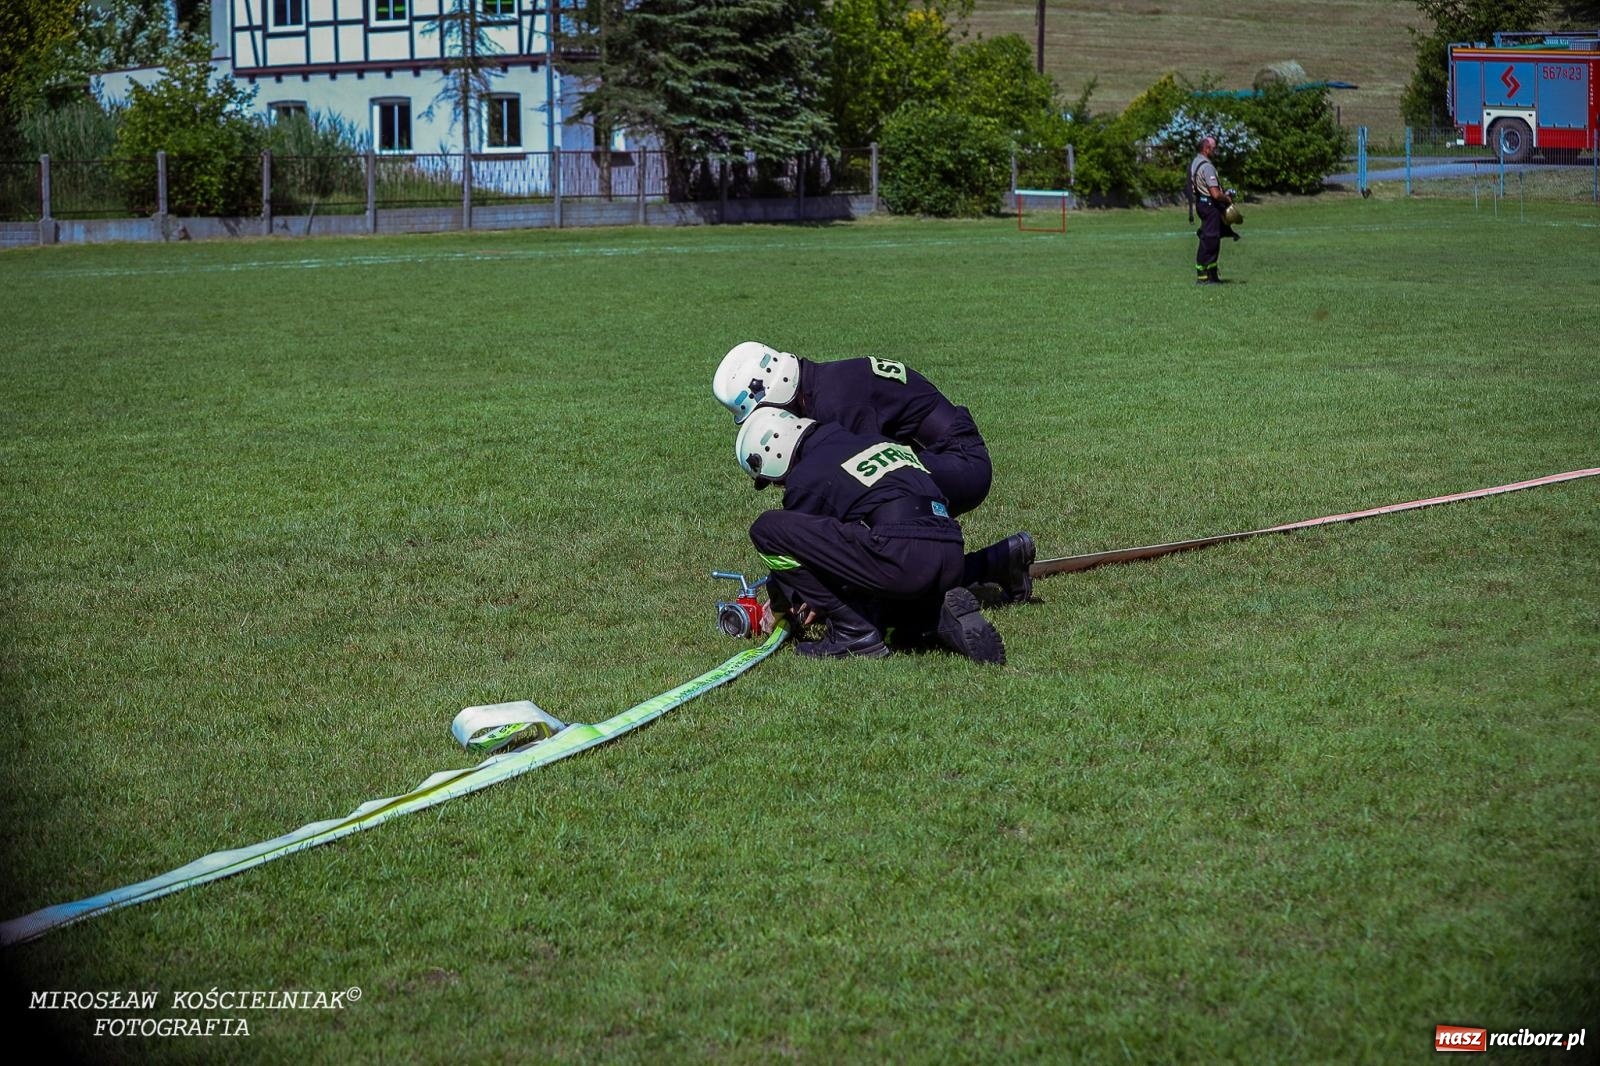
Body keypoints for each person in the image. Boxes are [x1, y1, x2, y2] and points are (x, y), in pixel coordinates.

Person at [713, 341, 1034, 604]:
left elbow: (854, 492)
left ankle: (959, 585)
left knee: (875, 550)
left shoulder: (836, 404)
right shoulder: (824, 385)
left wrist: (804, 588)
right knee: (874, 550)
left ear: (777, 390)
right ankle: (998, 562)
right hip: (940, 457)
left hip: (962, 463)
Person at [734, 406, 1006, 663]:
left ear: (774, 455)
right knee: (871, 593)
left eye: (774, 481)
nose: (780, 487)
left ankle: (852, 633)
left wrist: (780, 604)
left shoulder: (806, 477)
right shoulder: (861, 440)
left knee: (767, 529)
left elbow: (801, 552)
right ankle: (933, 615)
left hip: (904, 556)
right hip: (949, 550)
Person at [1189, 136, 1236, 284]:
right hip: (1210, 206)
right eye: (1214, 148)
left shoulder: (1195, 162)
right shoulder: (1207, 166)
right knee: (1211, 240)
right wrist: (1227, 198)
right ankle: (1204, 276)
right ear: (1206, 148)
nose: (1215, 151)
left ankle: (1212, 275)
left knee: (1210, 238)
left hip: (1201, 204)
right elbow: (1215, 193)